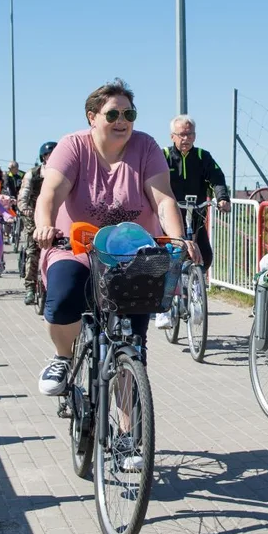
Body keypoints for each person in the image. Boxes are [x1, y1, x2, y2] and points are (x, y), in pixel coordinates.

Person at [33, 78, 199, 398]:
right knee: (63, 295)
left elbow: (163, 199)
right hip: (78, 249)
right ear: (92, 117)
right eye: (113, 114)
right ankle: (63, 357)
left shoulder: (146, 147)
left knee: (132, 344)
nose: (122, 121)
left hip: (132, 257)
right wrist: (44, 226)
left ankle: (127, 436)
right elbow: (50, 195)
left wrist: (178, 238)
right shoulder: (73, 146)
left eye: (129, 114)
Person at [155, 115, 231, 329]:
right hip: (169, 217)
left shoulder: (202, 156)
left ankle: (193, 284)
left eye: (190, 134)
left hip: (196, 214)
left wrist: (222, 198)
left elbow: (217, 178)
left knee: (205, 255)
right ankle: (164, 308)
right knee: (167, 258)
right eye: (182, 134)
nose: (186, 138)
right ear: (173, 136)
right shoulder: (164, 156)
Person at [17, 141, 57, 305]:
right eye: (48, 155)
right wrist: (25, 209)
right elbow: (23, 197)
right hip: (33, 216)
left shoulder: (66, 172)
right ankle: (30, 288)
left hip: (56, 216)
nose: (52, 157)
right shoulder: (32, 174)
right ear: (43, 157)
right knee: (33, 251)